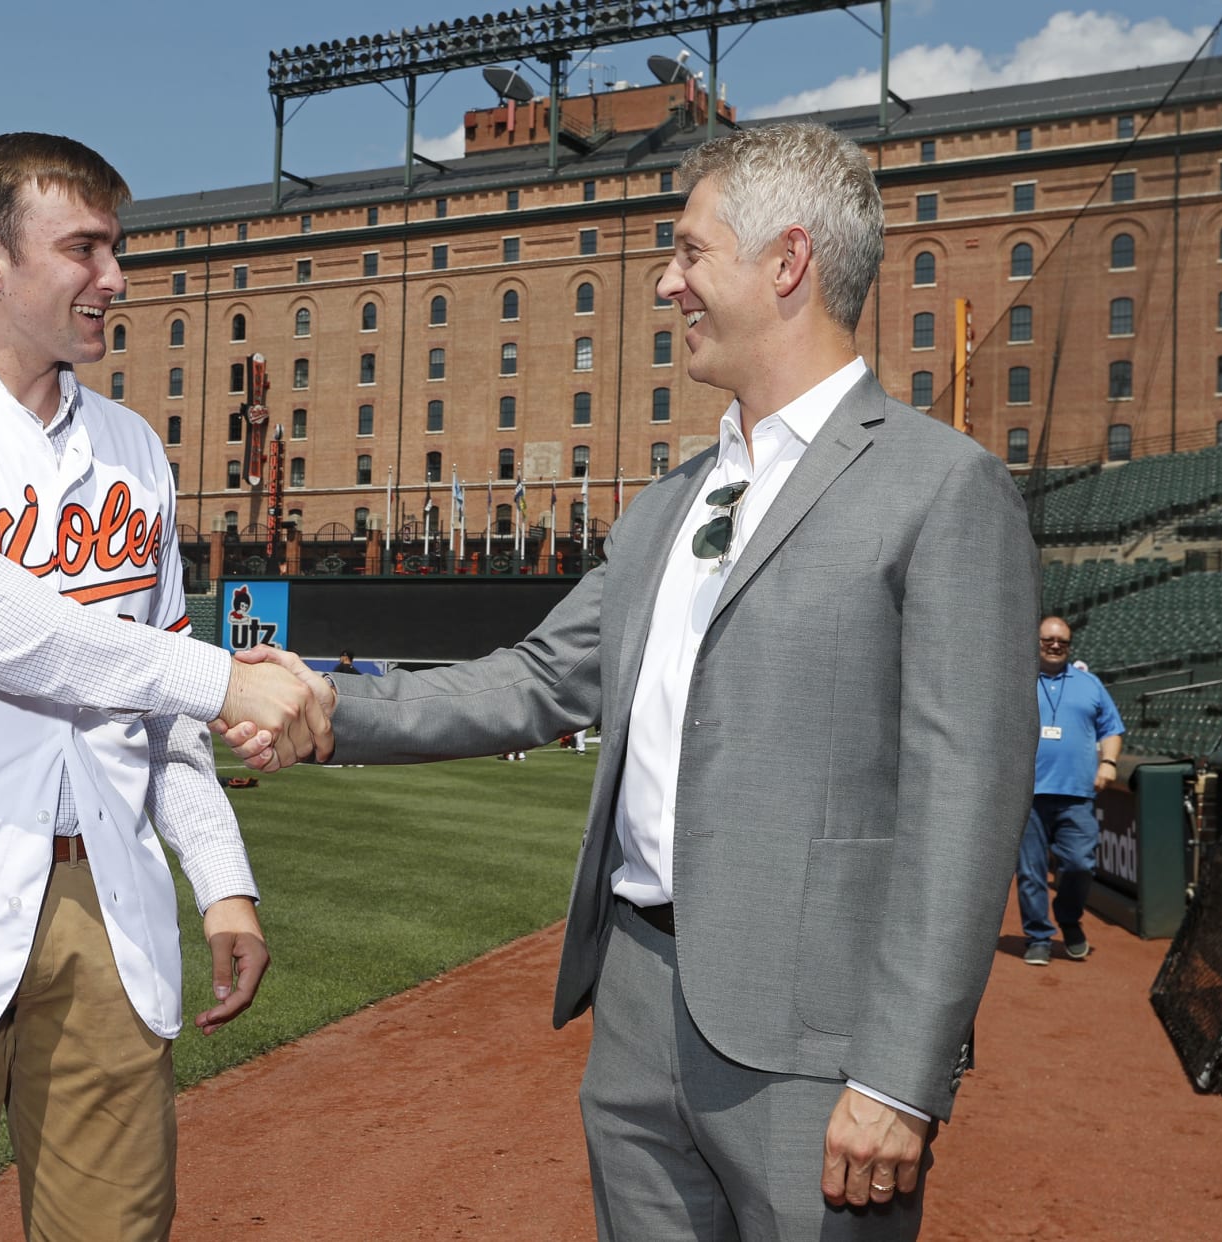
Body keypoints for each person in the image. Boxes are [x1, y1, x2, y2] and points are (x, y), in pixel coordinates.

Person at [226, 122, 1036, 1239]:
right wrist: (334, 710)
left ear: (787, 262)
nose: (668, 283)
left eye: (691, 253)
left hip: (817, 1045)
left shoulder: (942, 487)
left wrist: (900, 1078)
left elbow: (967, 801)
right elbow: (541, 679)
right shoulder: (673, 502)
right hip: (640, 1008)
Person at [0, 131, 327, 1242]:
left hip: (109, 909)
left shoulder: (132, 445)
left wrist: (222, 878)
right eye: (83, 248)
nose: (115, 278)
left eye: (115, 246)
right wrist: (222, 673)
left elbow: (155, 699)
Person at [1019, 615, 1125, 966]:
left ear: (1069, 645)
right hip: (1028, 794)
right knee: (1031, 872)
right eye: (1047, 639)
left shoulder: (1089, 683)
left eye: (1062, 641)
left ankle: (1068, 917)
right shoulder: (1018, 681)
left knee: (1080, 863)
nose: (1054, 645)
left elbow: (1112, 729)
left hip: (1077, 794)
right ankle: (1038, 936)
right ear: (1035, 642)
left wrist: (1108, 763)